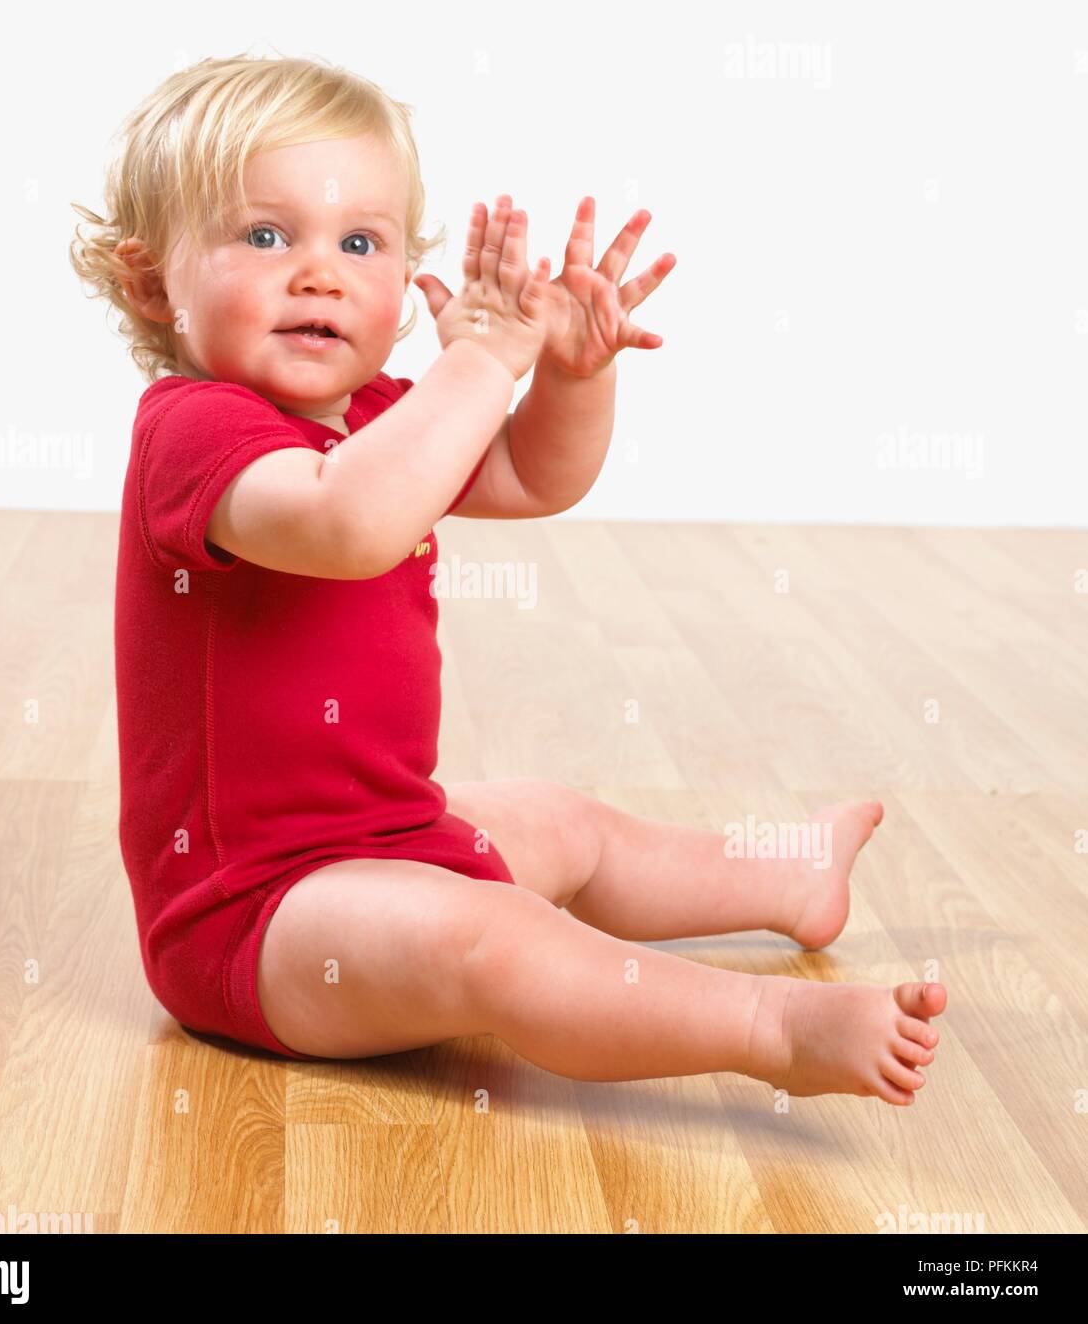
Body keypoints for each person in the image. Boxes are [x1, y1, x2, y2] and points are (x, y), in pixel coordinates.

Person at [71, 53, 945, 1100]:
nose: (319, 271)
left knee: (561, 818)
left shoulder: (386, 415)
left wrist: (573, 373)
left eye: (361, 242)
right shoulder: (193, 430)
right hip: (258, 918)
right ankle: (769, 1027)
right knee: (498, 937)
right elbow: (348, 521)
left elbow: (533, 474)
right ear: (150, 280)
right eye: (266, 235)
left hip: (393, 836)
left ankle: (782, 872)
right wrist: (480, 365)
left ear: (403, 279)